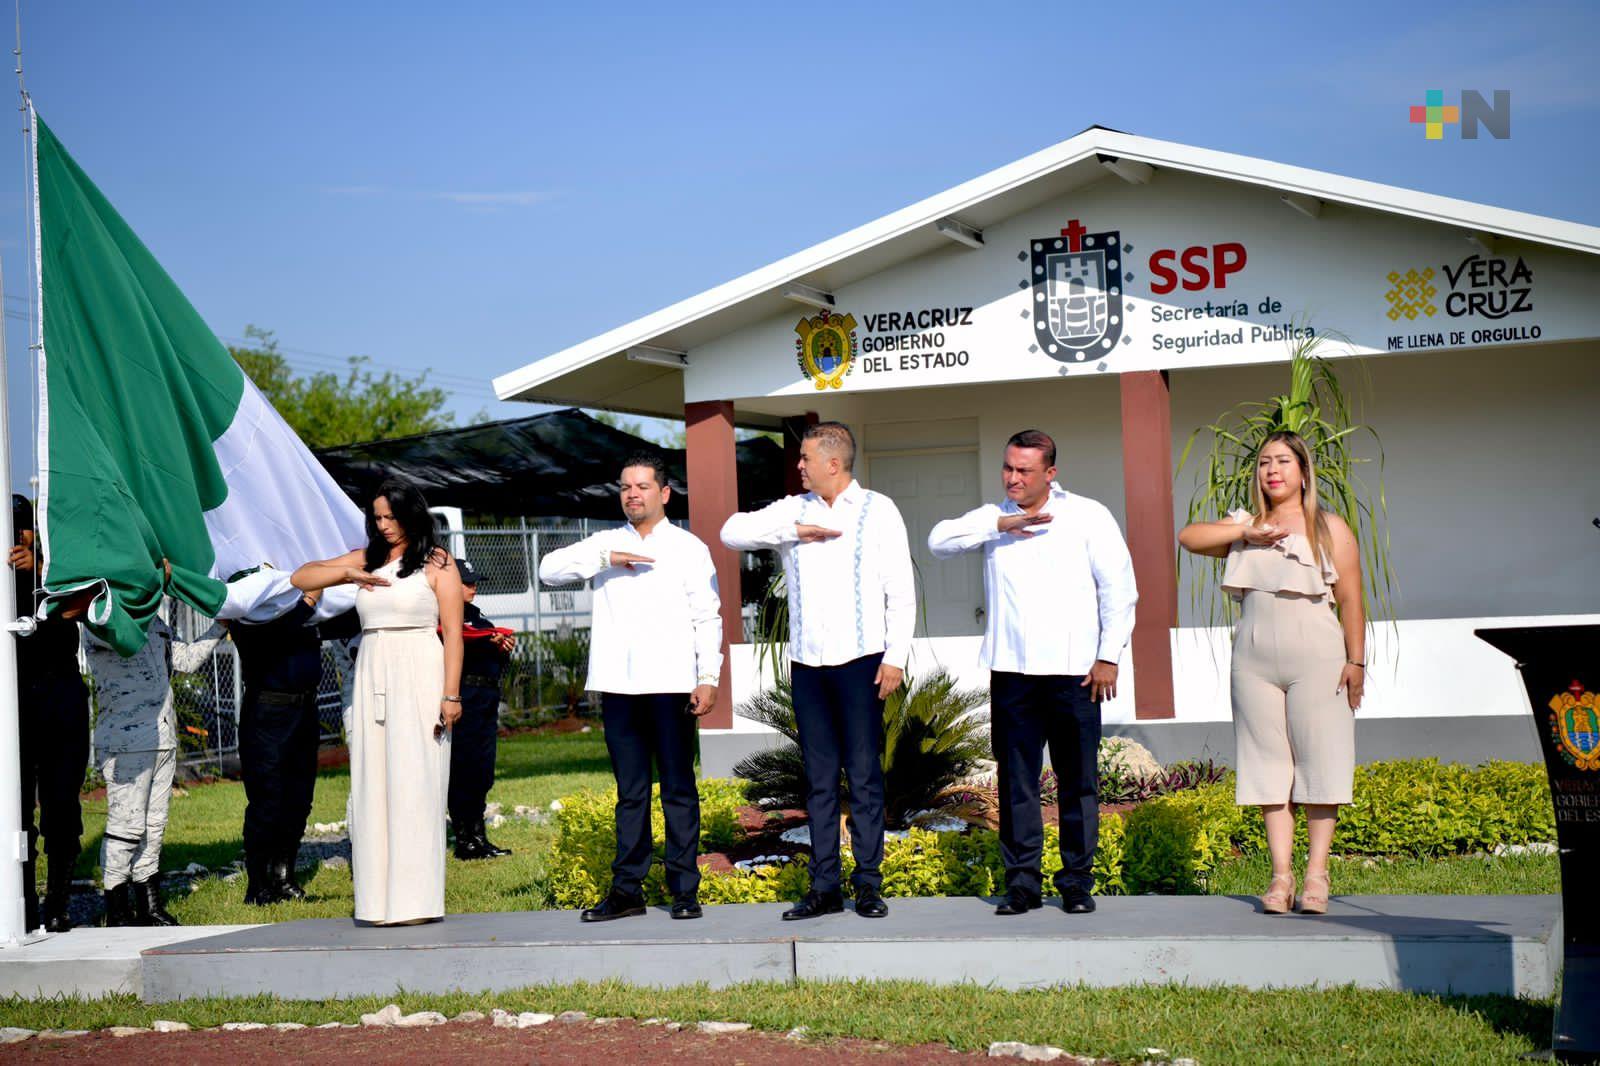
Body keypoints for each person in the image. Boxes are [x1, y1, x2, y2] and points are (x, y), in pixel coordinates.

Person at [928, 430, 1137, 917]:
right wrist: (1000, 524)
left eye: (1024, 470)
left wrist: (1108, 656)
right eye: (1008, 467)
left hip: (1076, 674)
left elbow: (1119, 590)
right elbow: (939, 541)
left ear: (1050, 473)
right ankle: (1022, 885)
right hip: (1013, 675)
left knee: (1078, 783)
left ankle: (1076, 884)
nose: (1013, 478)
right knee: (1016, 782)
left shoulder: (1087, 515)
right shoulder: (992, 518)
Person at [722, 422, 914, 921]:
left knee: (865, 777)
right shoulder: (794, 509)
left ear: (833, 462)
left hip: (863, 663)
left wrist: (895, 656)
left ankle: (868, 885)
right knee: (819, 781)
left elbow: (900, 589)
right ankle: (825, 887)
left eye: (805, 457)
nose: (799, 465)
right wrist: (794, 532)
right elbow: (731, 531)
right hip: (808, 665)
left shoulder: (878, 509)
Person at [1178, 431, 1364, 915]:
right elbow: (1189, 537)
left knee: (1321, 760)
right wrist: (1246, 533)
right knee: (1267, 765)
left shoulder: (1329, 528)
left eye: (1283, 461)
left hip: (1318, 654)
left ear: (1303, 471)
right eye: (1264, 462)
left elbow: (1351, 599)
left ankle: (1317, 874)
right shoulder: (1244, 525)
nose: (1272, 470)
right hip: (1253, 657)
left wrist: (1357, 661)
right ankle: (1281, 876)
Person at [539, 452, 723, 921]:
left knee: (678, 789)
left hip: (673, 685)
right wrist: (607, 558)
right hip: (618, 687)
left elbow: (708, 616)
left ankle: (684, 890)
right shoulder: (605, 543)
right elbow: (548, 570)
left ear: (664, 493)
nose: (632, 494)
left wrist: (708, 677)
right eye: (625, 487)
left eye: (642, 486)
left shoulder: (688, 547)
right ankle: (627, 892)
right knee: (631, 792)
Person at [293, 477, 463, 926]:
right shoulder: (366, 558)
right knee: (374, 783)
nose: (384, 525)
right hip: (372, 671)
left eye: (392, 517)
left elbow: (454, 634)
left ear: (411, 515)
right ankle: (377, 903)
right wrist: (345, 575)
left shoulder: (438, 562)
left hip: (420, 671)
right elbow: (301, 576)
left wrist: (450, 695)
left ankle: (416, 902)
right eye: (378, 517)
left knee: (417, 781)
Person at [84, 589, 224, 927]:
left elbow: (184, 660)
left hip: (163, 738)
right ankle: (117, 908)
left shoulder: (156, 621)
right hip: (126, 741)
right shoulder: (101, 614)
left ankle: (149, 906)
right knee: (127, 826)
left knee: (154, 826)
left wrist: (222, 624)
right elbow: (117, 637)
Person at [9, 495, 90, 933]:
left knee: (61, 806)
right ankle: (19, 902)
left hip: (60, 696)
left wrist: (38, 570)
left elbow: (81, 602)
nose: (17, 538)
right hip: (15, 703)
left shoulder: (57, 566)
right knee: (15, 811)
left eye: (23, 528)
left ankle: (57, 903)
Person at [226, 582, 330, 905]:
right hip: (267, 711)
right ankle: (258, 884)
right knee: (267, 799)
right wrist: (308, 603)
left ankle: (283, 876)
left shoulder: (301, 609)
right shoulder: (250, 608)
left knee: (299, 797)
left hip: (305, 708)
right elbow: (275, 638)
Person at [447, 558, 515, 861]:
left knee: (483, 769)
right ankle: (465, 839)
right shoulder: (444, 614)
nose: (473, 587)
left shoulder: (476, 615)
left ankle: (479, 836)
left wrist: (502, 648)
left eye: (475, 582)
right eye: (466, 582)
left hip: (486, 696)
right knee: (463, 767)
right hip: (464, 694)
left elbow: (494, 659)